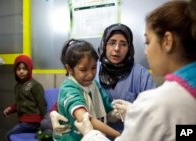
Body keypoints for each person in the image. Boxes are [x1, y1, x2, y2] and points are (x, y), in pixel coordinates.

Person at [75, 0, 196, 141]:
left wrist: (90, 134)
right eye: (112, 42)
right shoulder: (93, 69)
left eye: (148, 42)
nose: (146, 51)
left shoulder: (154, 102)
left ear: (167, 41)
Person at [49, 23, 156, 137]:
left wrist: (132, 111)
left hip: (129, 135)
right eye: (112, 42)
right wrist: (53, 112)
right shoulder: (93, 66)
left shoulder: (140, 74)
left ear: (129, 48)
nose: (117, 49)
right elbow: (71, 98)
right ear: (104, 44)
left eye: (123, 44)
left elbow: (156, 109)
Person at [55, 38, 120, 141]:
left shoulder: (94, 85)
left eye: (94, 68)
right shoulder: (68, 89)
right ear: (69, 69)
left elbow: (109, 107)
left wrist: (125, 111)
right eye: (83, 70)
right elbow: (85, 119)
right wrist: (118, 135)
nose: (90, 74)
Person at [3, 54, 47, 141]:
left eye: (24, 68)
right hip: (23, 121)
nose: (21, 71)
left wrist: (44, 124)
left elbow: (42, 104)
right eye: (19, 69)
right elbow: (19, 103)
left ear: (30, 69)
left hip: (33, 122)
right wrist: (10, 109)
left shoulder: (35, 85)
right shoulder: (18, 86)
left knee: (8, 135)